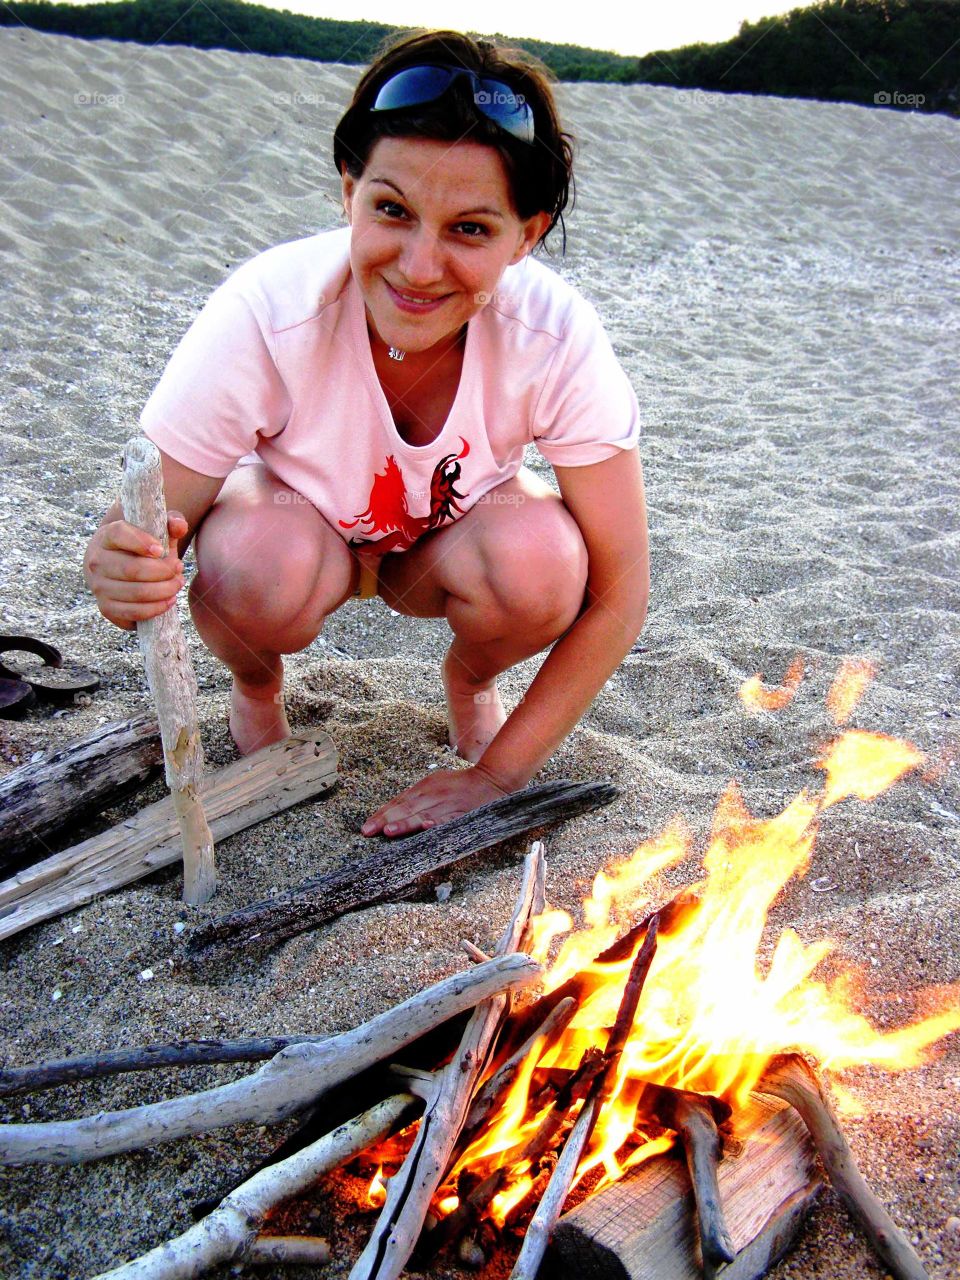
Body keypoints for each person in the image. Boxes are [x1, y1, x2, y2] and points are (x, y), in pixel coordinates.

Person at [83, 29, 649, 839]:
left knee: (547, 562)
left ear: (526, 235)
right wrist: (117, 575)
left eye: (471, 229)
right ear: (348, 190)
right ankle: (256, 685)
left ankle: (470, 679)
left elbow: (620, 596)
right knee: (249, 564)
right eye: (392, 211)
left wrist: (494, 777)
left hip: (446, 547)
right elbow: (134, 538)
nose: (420, 266)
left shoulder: (554, 336)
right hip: (300, 528)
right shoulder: (266, 309)